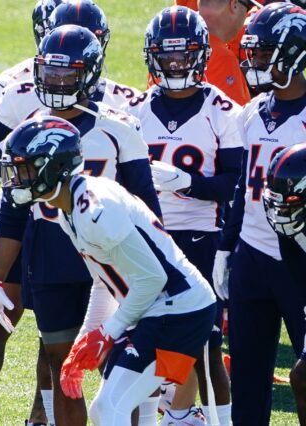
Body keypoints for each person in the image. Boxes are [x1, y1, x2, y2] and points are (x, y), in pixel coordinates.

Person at [0, 24, 162, 426]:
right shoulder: (27, 131)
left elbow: (148, 207)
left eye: (68, 73)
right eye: (51, 72)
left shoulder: (118, 127)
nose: (57, 81)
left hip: (112, 256)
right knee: (63, 365)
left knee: (123, 362)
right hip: (50, 249)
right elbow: (12, 211)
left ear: (90, 74)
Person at [0, 115, 216, 426]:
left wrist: (109, 332)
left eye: (24, 167)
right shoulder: (69, 207)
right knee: (107, 409)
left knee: (110, 408)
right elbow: (107, 280)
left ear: (53, 166)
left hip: (178, 309)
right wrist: (89, 336)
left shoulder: (96, 210)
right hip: (160, 308)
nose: (16, 177)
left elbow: (153, 279)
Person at [125, 6, 243, 425]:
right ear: (152, 56)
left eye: (183, 54)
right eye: (167, 55)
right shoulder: (134, 111)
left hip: (199, 236)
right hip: (144, 237)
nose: (175, 63)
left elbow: (236, 182)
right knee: (137, 344)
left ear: (200, 55)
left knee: (206, 347)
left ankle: (213, 419)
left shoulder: (223, 110)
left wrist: (186, 183)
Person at [212, 3, 306, 424]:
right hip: (251, 254)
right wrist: (225, 248)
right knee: (248, 379)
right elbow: (240, 187)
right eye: (253, 52)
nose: (254, 62)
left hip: (300, 259)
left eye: (265, 53)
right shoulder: (252, 111)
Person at [263, 143, 306, 424]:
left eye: (290, 203)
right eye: (277, 201)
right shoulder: (288, 231)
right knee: (301, 378)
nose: (281, 212)